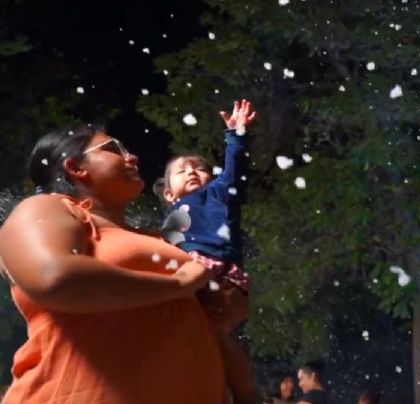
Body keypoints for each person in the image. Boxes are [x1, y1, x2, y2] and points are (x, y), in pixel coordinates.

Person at [0, 125, 252, 403]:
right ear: (76, 167)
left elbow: (215, 317)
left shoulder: (159, 238)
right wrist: (179, 283)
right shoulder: (48, 209)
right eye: (113, 149)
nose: (132, 157)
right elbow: (54, 278)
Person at [155, 99, 255, 294]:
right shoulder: (171, 217)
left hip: (216, 263)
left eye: (199, 169)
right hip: (184, 264)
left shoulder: (217, 192)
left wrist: (236, 136)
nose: (191, 172)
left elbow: (235, 168)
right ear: (169, 194)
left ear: (211, 178)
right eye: (181, 171)